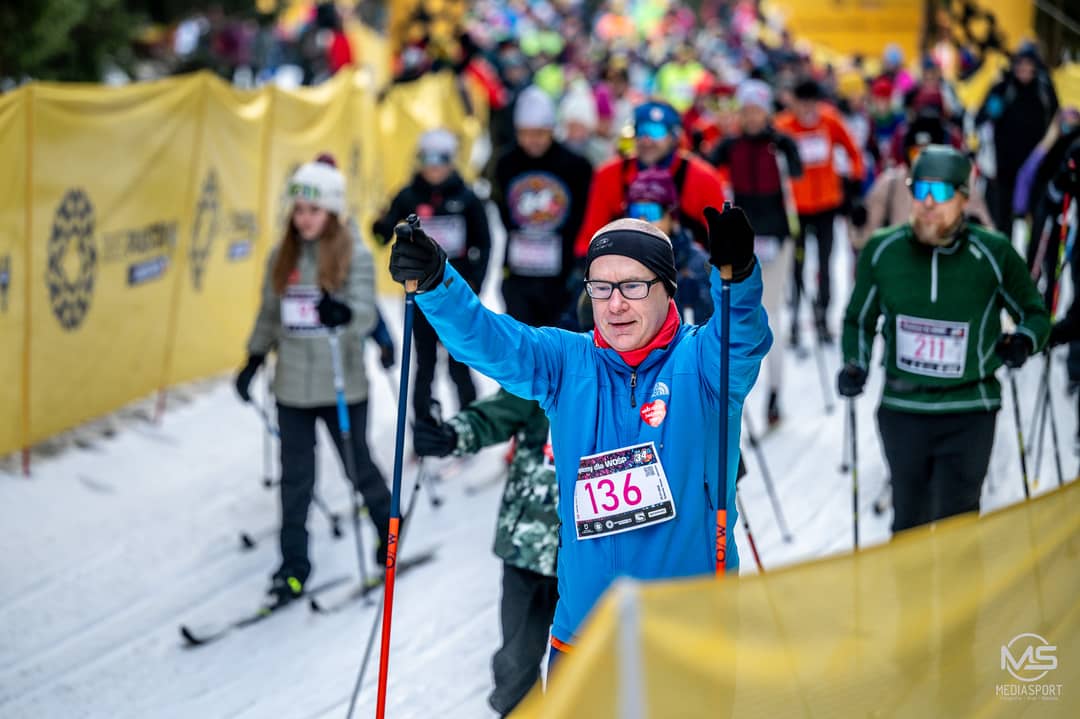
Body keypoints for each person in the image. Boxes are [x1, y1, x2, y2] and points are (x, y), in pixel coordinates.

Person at [389, 205, 771, 664]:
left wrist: (737, 276)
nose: (614, 304)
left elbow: (741, 334)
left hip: (689, 637)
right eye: (601, 287)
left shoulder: (704, 363)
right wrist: (437, 283)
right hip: (584, 639)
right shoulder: (567, 363)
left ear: (667, 288)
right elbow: (489, 339)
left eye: (632, 285)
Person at [837, 145, 1049, 534]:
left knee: (959, 528)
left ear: (964, 198)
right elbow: (858, 319)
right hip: (903, 407)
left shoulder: (994, 252)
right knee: (909, 524)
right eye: (920, 190)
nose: (928, 203)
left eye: (941, 192)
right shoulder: (883, 250)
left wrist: (1023, 341)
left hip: (970, 408)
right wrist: (856, 362)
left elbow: (1035, 314)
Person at [235, 158, 392, 605]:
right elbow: (270, 313)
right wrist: (253, 358)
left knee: (357, 466)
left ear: (333, 211)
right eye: (299, 210)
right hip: (292, 388)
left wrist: (344, 313)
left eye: (314, 211)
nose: (304, 219)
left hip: (342, 385)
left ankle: (387, 530)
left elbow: (365, 312)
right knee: (295, 481)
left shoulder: (354, 254)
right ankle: (293, 567)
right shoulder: (281, 256)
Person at [413, 389, 560, 717]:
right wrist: (451, 435)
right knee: (516, 662)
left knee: (587, 661)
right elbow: (500, 411)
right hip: (528, 541)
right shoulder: (551, 361)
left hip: (598, 550)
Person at [373, 128, 491, 419]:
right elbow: (383, 232)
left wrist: (476, 281)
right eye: (427, 160)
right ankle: (424, 425)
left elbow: (484, 242)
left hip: (455, 293)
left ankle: (470, 421)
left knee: (459, 362)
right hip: (422, 295)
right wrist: (379, 225)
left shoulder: (466, 197)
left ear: (451, 161)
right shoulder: (409, 194)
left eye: (441, 160)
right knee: (424, 364)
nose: (434, 168)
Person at [711, 79, 803, 427]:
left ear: (766, 113)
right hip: (742, 241)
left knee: (771, 312)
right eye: (746, 111)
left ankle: (775, 392)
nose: (751, 117)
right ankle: (738, 388)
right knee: (738, 315)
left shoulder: (778, 144)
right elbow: (707, 166)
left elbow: (798, 172)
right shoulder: (731, 145)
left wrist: (787, 148)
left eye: (757, 111)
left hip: (777, 236)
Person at [492, 85, 594, 327]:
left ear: (551, 130)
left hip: (561, 274)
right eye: (525, 133)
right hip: (519, 272)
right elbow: (502, 208)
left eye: (539, 133)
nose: (533, 140)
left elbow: (583, 214)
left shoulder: (576, 166)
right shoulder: (505, 163)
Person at [775, 78, 865, 344]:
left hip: (826, 205)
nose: (807, 110)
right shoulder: (783, 126)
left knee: (825, 264)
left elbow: (853, 151)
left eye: (811, 104)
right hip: (797, 209)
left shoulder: (829, 120)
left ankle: (823, 316)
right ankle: (795, 319)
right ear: (793, 103)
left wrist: (853, 182)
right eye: (801, 105)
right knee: (797, 266)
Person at [576, 99, 726, 254]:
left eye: (656, 131)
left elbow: (726, 242)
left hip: (685, 264)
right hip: (623, 263)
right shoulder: (609, 175)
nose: (647, 140)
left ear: (674, 136)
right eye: (641, 131)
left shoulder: (703, 177)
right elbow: (589, 239)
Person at [976, 42, 1059, 232]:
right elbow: (983, 118)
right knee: (1002, 218)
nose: (1024, 69)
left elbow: (1056, 120)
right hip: (1005, 167)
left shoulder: (1044, 89)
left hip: (1035, 168)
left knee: (1032, 219)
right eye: (1020, 64)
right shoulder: (1003, 87)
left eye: (1029, 64)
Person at [624, 168, 713, 323]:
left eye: (651, 212)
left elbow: (719, 322)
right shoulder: (613, 260)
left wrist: (697, 299)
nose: (642, 220)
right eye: (635, 211)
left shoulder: (699, 263)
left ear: (671, 216)